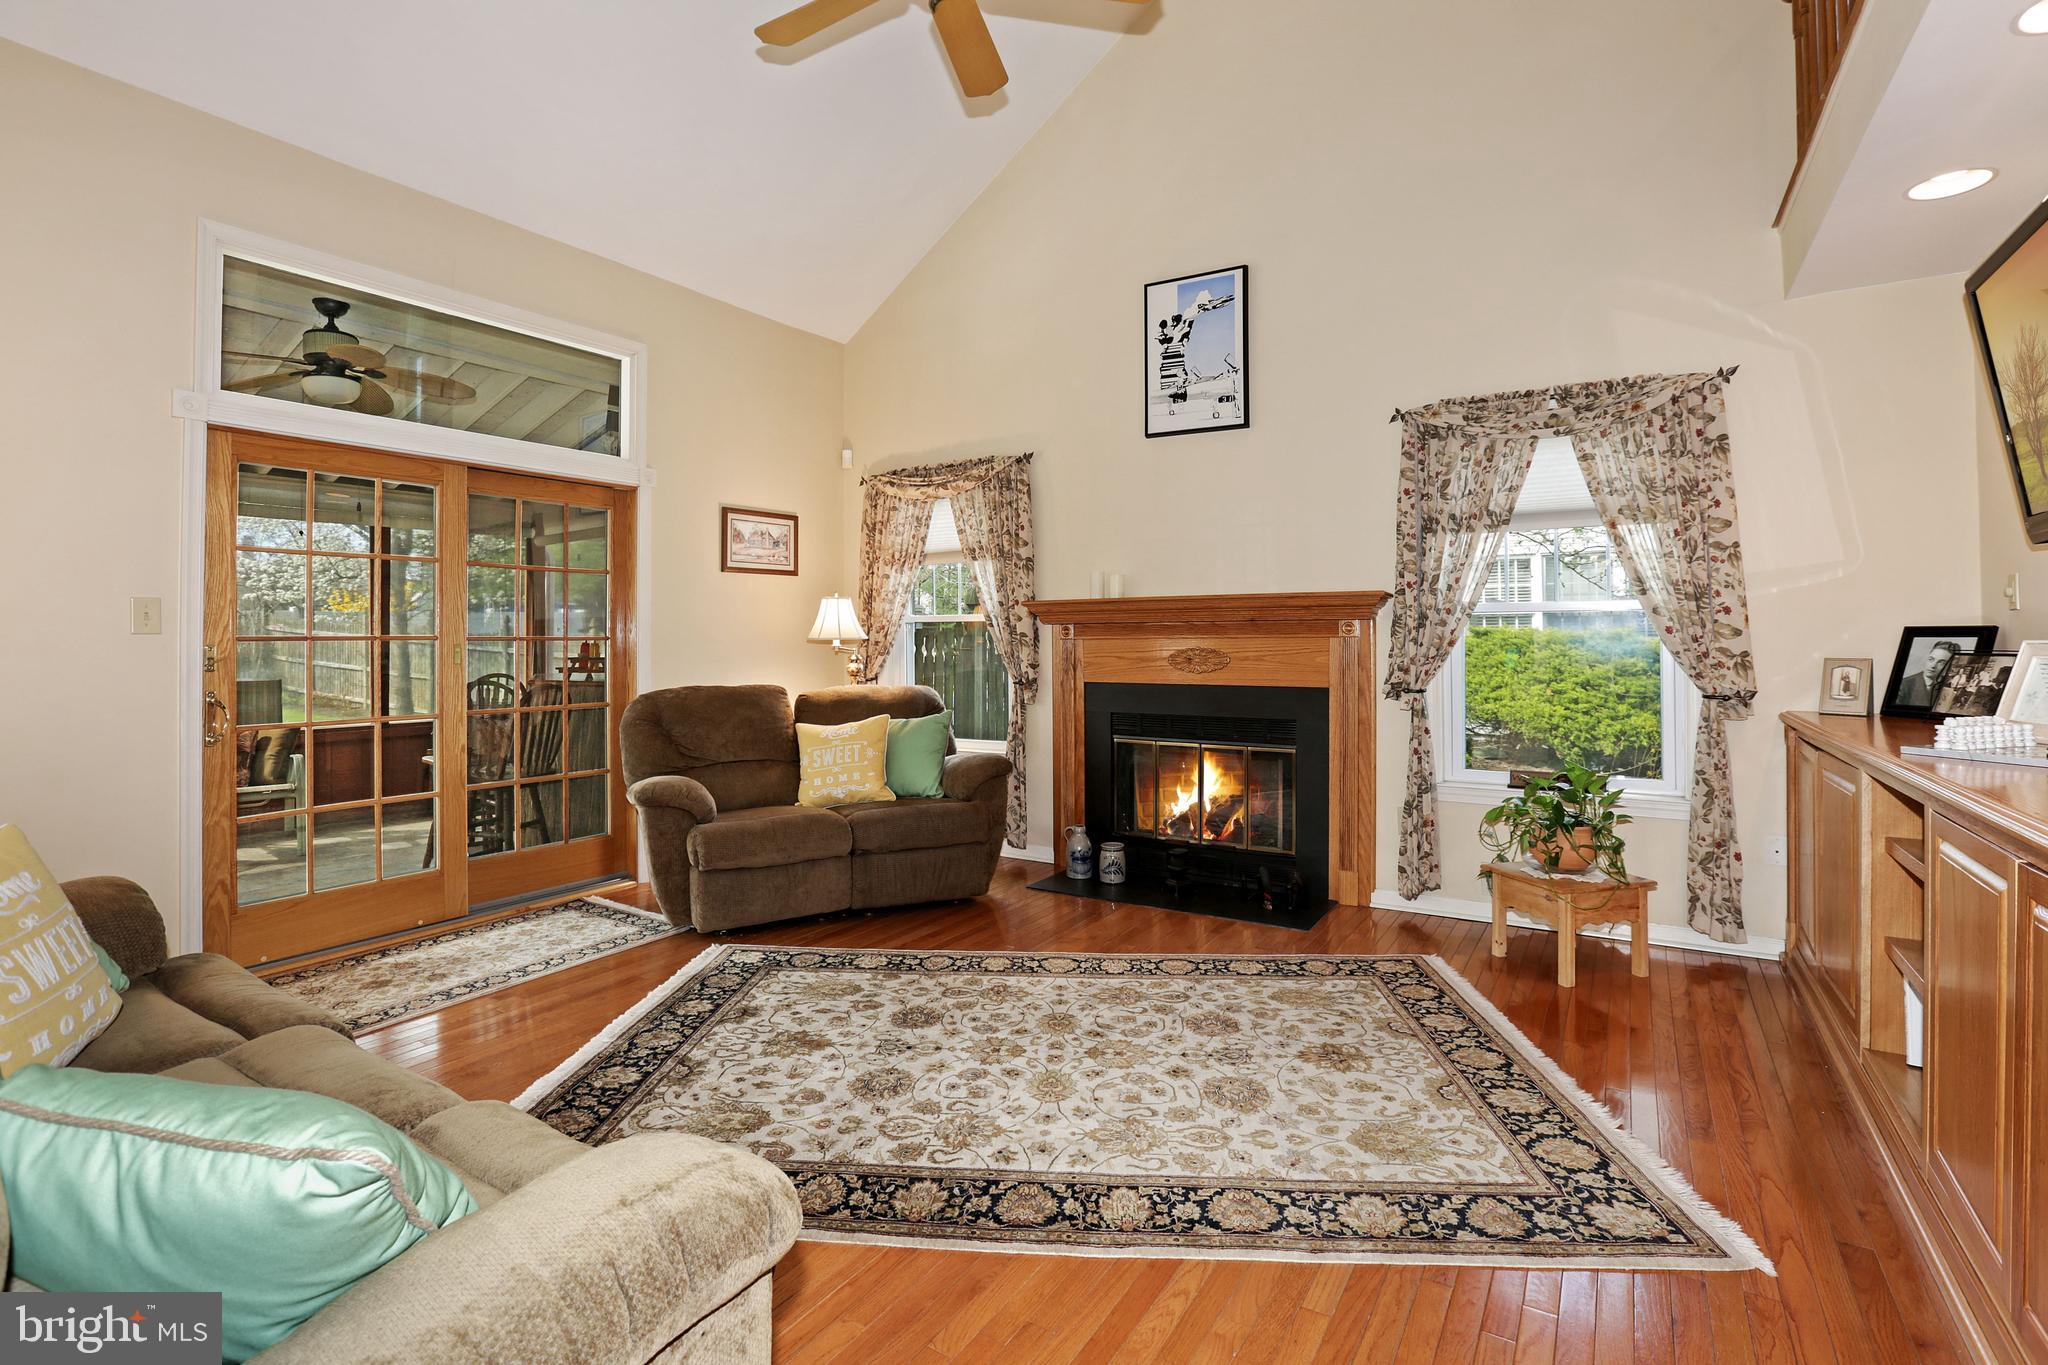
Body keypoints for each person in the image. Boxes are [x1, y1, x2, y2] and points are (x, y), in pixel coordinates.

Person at [1895, 640, 1959, 709]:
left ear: (1949, 666)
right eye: (1931, 659)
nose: (1933, 665)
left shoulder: (1948, 686)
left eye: (1941, 662)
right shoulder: (1904, 684)